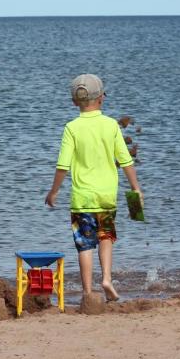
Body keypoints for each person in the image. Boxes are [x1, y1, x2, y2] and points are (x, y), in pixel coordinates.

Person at [44, 74, 142, 301]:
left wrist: (54, 191)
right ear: (102, 98)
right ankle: (106, 278)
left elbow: (63, 165)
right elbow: (125, 160)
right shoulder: (110, 125)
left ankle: (88, 292)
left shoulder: (71, 128)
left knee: (85, 245)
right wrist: (136, 188)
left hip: (82, 199)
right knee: (106, 236)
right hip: (107, 196)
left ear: (73, 102)